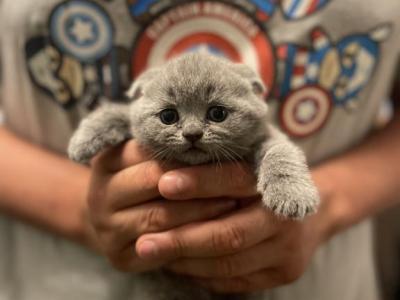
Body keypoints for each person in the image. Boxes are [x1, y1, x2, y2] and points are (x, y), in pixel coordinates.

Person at [0, 0, 399, 299]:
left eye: (218, 114)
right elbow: (121, 119)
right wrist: (81, 208)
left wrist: (332, 204)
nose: (191, 132)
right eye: (171, 117)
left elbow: (273, 148)